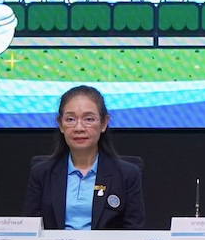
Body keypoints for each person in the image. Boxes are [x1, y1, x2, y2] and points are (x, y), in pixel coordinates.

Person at [23, 85, 145, 230]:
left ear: (104, 123)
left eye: (88, 119)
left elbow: (134, 231)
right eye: (70, 119)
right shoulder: (42, 173)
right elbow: (29, 229)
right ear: (60, 124)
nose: (79, 128)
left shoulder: (127, 174)